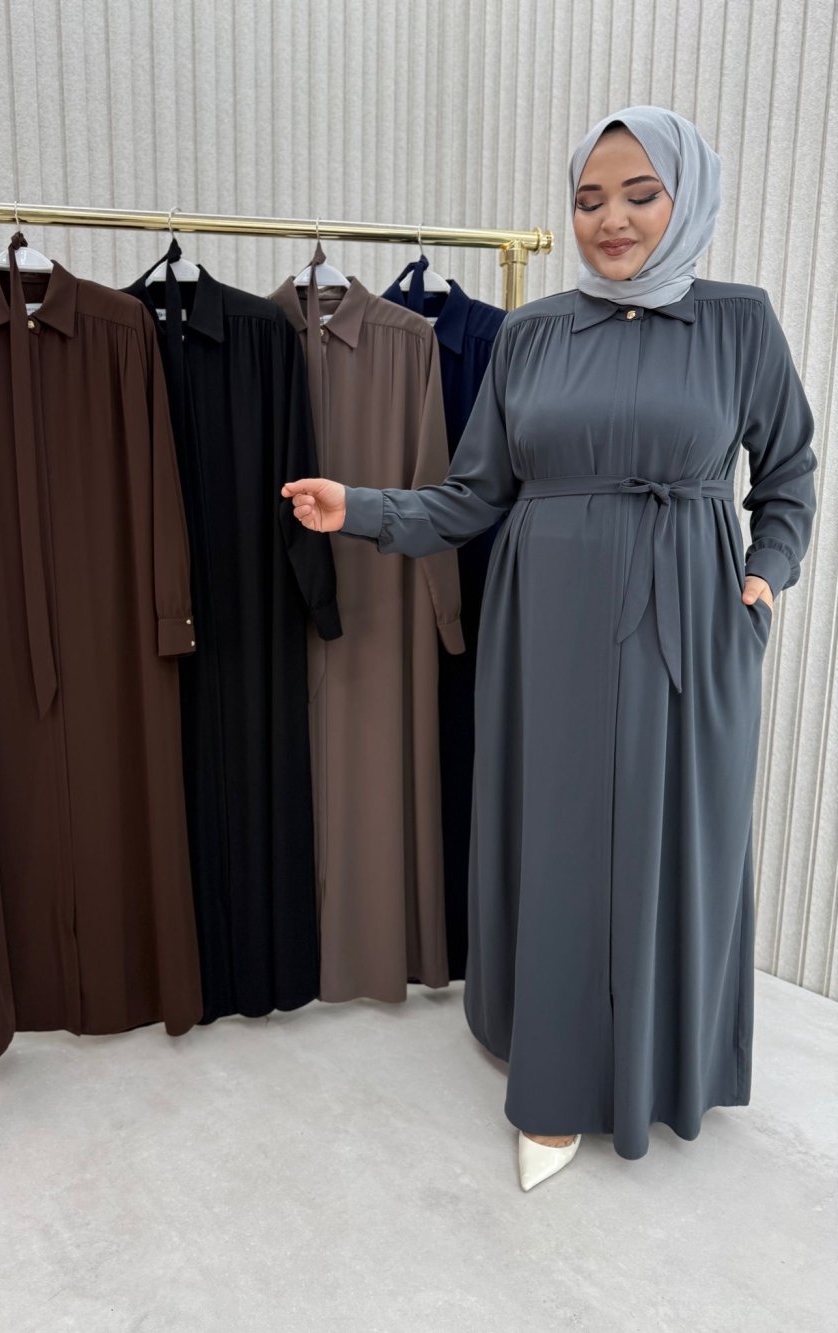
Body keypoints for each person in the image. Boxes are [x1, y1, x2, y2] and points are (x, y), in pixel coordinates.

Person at [282, 105, 818, 1191]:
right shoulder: (530, 335)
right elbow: (472, 495)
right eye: (588, 200)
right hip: (549, 630)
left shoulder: (739, 322)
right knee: (563, 840)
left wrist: (762, 580)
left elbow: (790, 474)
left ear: (685, 199)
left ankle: (665, 1059)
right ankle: (558, 1077)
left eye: (639, 195)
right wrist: (363, 508)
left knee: (678, 838)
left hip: (691, 624)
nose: (611, 220)